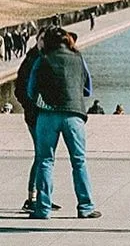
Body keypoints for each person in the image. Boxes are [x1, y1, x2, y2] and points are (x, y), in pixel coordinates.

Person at [27, 27, 100, 220]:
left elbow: (31, 90)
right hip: (73, 115)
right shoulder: (78, 58)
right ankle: (85, 207)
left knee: (45, 161)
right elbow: (88, 89)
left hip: (47, 115)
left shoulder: (42, 59)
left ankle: (43, 209)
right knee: (79, 161)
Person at [14, 28, 62, 213]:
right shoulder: (33, 58)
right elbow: (20, 89)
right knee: (42, 156)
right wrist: (32, 106)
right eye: (43, 38)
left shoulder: (46, 57)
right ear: (38, 39)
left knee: (45, 156)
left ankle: (43, 196)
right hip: (36, 115)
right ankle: (33, 197)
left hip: (45, 115)